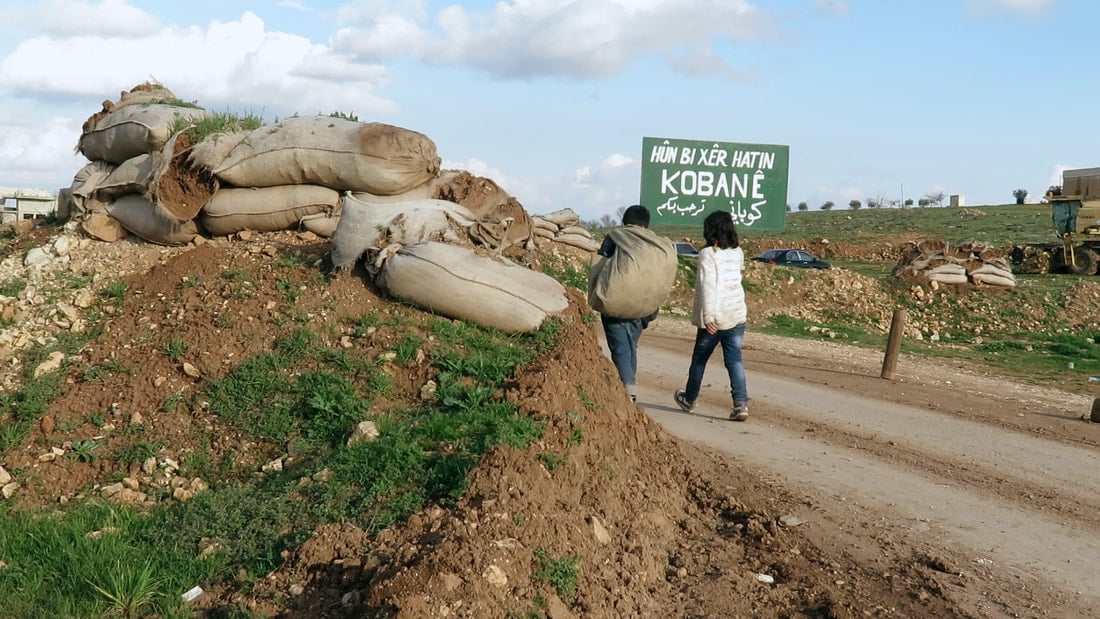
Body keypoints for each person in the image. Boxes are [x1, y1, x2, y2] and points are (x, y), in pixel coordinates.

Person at [674, 210, 750, 421]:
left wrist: (708, 317)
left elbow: (708, 286)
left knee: (699, 359)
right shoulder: (738, 252)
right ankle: (741, 404)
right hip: (736, 315)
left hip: (715, 318)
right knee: (734, 360)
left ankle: (689, 399)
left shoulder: (708, 254)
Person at [594, 204, 659, 403]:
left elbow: (602, 261)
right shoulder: (655, 243)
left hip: (617, 303)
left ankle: (628, 391)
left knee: (621, 346)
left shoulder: (616, 237)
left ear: (625, 222)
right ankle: (629, 384)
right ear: (646, 224)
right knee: (630, 345)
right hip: (644, 306)